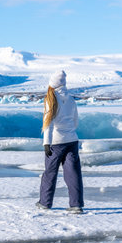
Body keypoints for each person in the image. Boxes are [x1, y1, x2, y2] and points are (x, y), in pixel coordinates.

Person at [36, 70, 84, 214]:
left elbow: (48, 123)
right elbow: (75, 121)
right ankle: (76, 205)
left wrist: (46, 143)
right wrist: (68, 131)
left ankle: (45, 203)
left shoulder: (51, 98)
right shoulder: (70, 98)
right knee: (73, 173)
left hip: (56, 142)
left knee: (50, 173)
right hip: (72, 140)